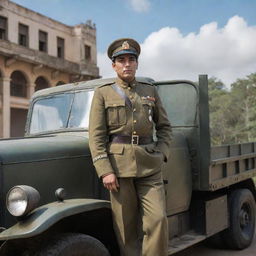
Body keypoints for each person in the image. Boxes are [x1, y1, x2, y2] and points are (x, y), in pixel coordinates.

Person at [89, 38, 172, 256]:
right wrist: (105, 170)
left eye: (131, 60)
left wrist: (161, 152)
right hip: (118, 168)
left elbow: (164, 127)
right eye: (121, 60)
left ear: (137, 64)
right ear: (114, 65)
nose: (127, 64)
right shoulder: (103, 93)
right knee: (125, 228)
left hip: (149, 165)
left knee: (158, 220)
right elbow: (96, 136)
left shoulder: (150, 90)